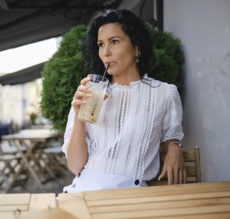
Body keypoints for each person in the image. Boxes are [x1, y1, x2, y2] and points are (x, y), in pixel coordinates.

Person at [62, 9, 185, 193]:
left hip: (130, 196)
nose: (106, 52)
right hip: (83, 190)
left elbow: (170, 136)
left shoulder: (164, 93)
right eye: (101, 44)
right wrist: (79, 117)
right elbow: (75, 166)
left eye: (114, 42)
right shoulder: (90, 92)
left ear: (137, 47)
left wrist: (175, 148)